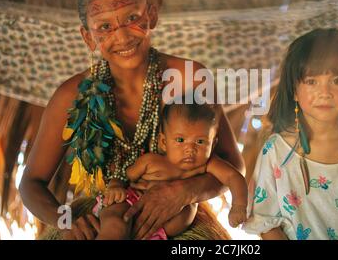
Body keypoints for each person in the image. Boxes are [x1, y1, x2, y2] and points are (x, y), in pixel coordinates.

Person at [19, 0, 244, 240]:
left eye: (131, 18)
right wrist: (66, 222)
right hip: (105, 217)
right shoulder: (71, 94)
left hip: (175, 217)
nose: (123, 36)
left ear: (151, 16)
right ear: (88, 37)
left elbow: (235, 166)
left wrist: (185, 191)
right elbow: (31, 183)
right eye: (105, 26)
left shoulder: (189, 78)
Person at [242, 28, 338, 240]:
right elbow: (266, 222)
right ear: (294, 90)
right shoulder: (277, 152)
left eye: (336, 81)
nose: (325, 93)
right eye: (312, 81)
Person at [98, 101, 248, 239]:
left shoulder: (208, 163)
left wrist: (239, 206)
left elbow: (233, 177)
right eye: (180, 140)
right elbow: (124, 177)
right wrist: (115, 187)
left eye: (200, 141)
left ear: (213, 143)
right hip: (131, 206)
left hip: (162, 230)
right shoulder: (151, 162)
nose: (190, 149)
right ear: (163, 142)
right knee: (115, 226)